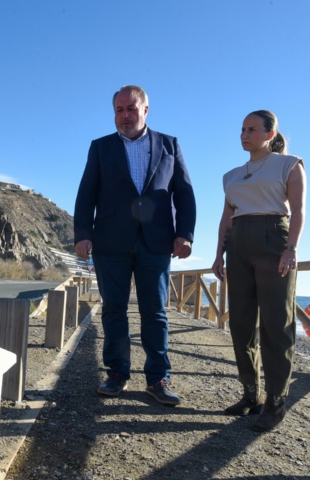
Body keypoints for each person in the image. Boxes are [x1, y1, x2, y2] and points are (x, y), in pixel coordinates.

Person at [74, 85, 196, 406]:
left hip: (156, 242)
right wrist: (83, 234)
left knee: (154, 312)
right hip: (110, 241)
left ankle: (158, 378)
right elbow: (86, 194)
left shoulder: (169, 145)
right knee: (114, 310)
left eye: (130, 108)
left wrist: (185, 233)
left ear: (145, 110)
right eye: (119, 110)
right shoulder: (100, 148)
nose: (124, 115)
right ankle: (117, 374)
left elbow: (184, 192)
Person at [211, 110, 306, 431]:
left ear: (270, 133)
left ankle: (276, 401)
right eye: (241, 130)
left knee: (276, 323)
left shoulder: (289, 164)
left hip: (273, 240)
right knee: (240, 322)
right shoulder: (231, 175)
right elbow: (226, 218)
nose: (244, 134)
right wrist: (218, 254)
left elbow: (299, 211)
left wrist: (291, 249)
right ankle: (250, 394)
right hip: (238, 245)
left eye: (251, 129)